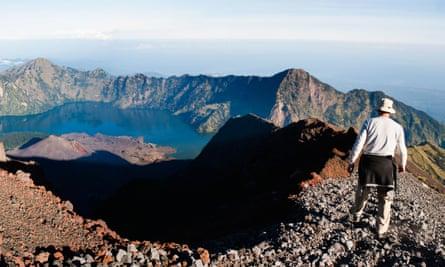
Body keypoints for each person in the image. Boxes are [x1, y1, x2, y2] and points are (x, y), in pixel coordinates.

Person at [348, 97, 407, 239]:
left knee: (362, 192)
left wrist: (351, 161)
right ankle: (381, 229)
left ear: (379, 109)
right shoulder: (397, 127)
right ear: (390, 111)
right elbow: (402, 149)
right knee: (385, 198)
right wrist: (402, 165)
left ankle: (356, 217)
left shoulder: (369, 122)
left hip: (368, 163)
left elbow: (359, 144)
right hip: (386, 165)